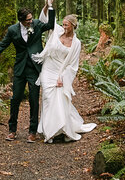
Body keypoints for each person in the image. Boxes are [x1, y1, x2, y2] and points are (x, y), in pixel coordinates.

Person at [0, 0, 55, 143]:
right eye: (28, 20)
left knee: (34, 100)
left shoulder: (36, 25)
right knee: (15, 98)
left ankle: (32, 131)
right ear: (21, 20)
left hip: (34, 69)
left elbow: (50, 24)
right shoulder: (12, 30)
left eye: (31, 18)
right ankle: (12, 130)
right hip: (20, 69)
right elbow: (2, 45)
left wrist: (49, 6)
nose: (31, 21)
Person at [32, 13, 96, 143]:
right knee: (48, 98)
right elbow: (45, 19)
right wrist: (47, 6)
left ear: (73, 26)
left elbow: (73, 65)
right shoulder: (57, 31)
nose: (64, 27)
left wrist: (62, 77)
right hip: (48, 69)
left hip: (60, 72)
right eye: (63, 24)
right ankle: (49, 131)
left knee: (60, 99)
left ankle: (62, 128)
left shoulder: (76, 43)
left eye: (67, 25)